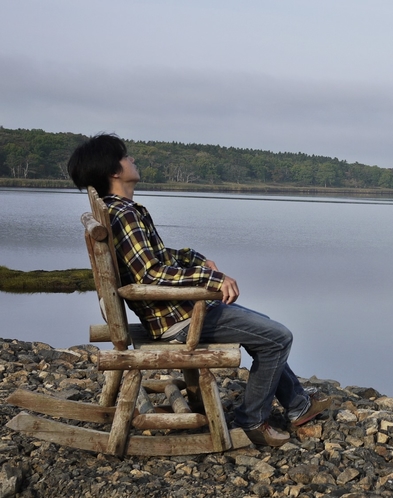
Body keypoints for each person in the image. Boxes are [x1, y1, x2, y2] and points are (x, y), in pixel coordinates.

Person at [67, 133, 330, 447]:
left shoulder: (124, 210)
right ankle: (252, 419)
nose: (132, 160)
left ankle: (299, 404)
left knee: (265, 328)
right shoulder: (124, 215)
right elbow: (150, 273)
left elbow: (159, 258)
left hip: (177, 312)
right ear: (113, 172)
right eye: (126, 157)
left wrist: (197, 260)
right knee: (278, 337)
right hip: (178, 320)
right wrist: (212, 281)